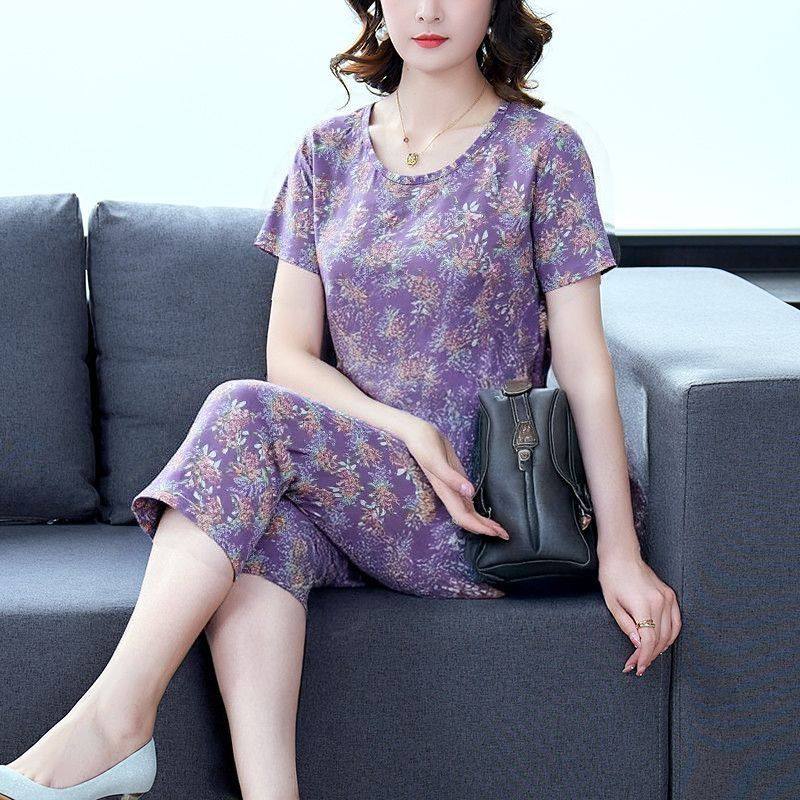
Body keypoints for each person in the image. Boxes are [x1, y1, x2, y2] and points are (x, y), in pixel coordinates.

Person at [0, 1, 682, 799]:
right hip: (364, 491)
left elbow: (586, 367)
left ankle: (116, 723)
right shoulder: (325, 153)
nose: (428, 9)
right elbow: (289, 356)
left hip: (482, 511)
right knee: (261, 530)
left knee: (244, 411)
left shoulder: (543, 152)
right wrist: (407, 430)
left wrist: (620, 552)